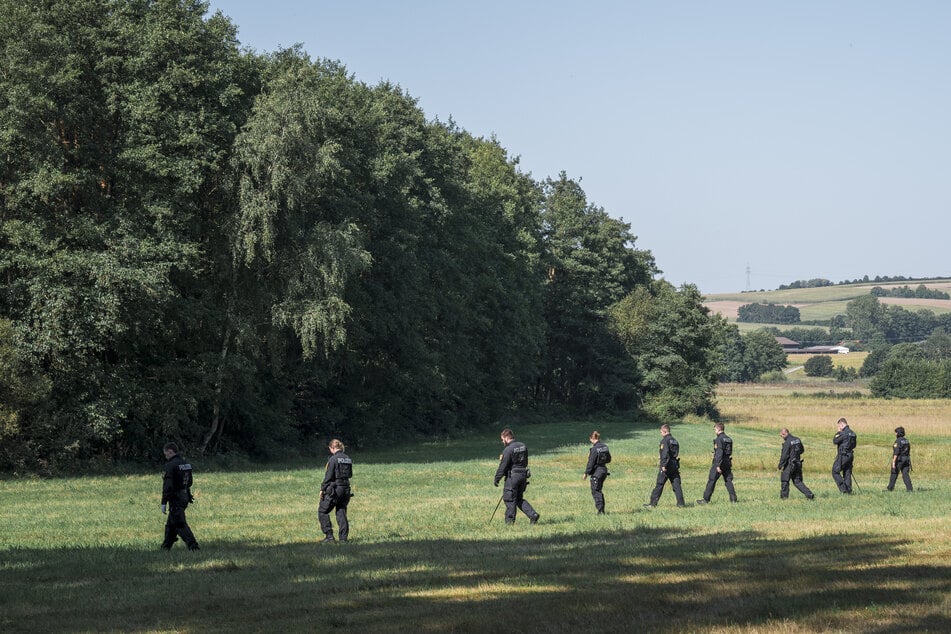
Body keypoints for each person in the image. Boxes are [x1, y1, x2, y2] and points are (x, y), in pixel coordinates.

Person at [494, 428, 540, 524]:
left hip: (513, 477)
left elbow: (503, 466)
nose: (503, 442)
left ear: (506, 437)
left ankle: (509, 522)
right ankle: (533, 515)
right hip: (523, 475)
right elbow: (526, 462)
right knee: (518, 499)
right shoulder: (523, 446)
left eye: (502, 439)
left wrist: (497, 478)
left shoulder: (508, 449)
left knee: (509, 499)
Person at [160, 442, 200, 551]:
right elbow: (189, 482)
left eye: (166, 454)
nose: (165, 456)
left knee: (179, 523)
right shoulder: (185, 464)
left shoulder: (170, 466)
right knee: (171, 524)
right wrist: (188, 494)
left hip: (175, 498)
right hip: (185, 496)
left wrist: (164, 502)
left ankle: (193, 546)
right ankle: (166, 547)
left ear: (170, 451)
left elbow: (168, 486)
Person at [318, 439, 353, 543]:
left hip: (336, 489)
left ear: (331, 448)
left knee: (322, 511)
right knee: (341, 511)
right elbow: (350, 474)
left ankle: (329, 536)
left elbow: (328, 476)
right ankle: (343, 539)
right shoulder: (348, 458)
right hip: (346, 488)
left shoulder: (333, 459)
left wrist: (322, 489)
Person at [645, 424, 685, 508]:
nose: (661, 434)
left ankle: (652, 504)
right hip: (675, 465)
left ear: (665, 431)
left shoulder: (665, 441)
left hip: (667, 466)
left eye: (661, 432)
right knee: (676, 485)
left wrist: (663, 465)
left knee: (659, 484)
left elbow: (665, 454)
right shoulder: (675, 441)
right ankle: (681, 503)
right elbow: (675, 453)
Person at [697, 422, 737, 505]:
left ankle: (706, 499)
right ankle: (733, 499)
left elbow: (719, 452)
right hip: (727, 461)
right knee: (728, 480)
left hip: (719, 462)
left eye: (715, 429)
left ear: (719, 429)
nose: (714, 431)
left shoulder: (719, 439)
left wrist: (718, 465)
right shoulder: (729, 439)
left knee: (712, 480)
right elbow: (728, 451)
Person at [778, 428, 814, 500]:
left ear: (784, 434)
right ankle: (809, 494)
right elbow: (802, 450)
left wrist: (780, 465)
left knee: (785, 480)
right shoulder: (797, 439)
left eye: (781, 436)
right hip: (798, 463)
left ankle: (784, 498)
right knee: (797, 481)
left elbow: (784, 455)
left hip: (790, 464)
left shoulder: (787, 442)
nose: (781, 437)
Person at [583, 431, 612, 514]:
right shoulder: (605, 447)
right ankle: (602, 509)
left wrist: (586, 473)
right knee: (599, 490)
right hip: (604, 471)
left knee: (596, 491)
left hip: (597, 473)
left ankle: (600, 510)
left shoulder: (594, 449)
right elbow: (609, 459)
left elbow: (591, 462)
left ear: (591, 438)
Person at [832, 417, 857, 494]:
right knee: (847, 473)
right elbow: (854, 445)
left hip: (843, 456)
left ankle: (843, 489)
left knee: (835, 471)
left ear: (841, 424)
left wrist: (838, 432)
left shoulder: (843, 433)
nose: (838, 428)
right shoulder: (853, 433)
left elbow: (835, 441)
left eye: (838, 426)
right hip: (850, 455)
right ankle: (849, 490)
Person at [887, 426, 913, 492]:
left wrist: (893, 463)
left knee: (894, 473)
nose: (895, 434)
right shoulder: (906, 440)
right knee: (905, 474)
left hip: (899, 460)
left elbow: (896, 452)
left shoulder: (898, 441)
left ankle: (890, 488)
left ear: (898, 433)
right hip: (907, 459)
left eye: (896, 433)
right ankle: (909, 489)